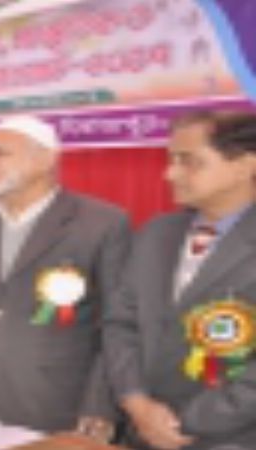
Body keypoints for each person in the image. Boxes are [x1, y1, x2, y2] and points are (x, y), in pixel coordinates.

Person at [0, 115, 130, 438]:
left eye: (1, 154)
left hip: (54, 400)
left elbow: (117, 322)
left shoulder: (101, 222)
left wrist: (100, 403)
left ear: (46, 160)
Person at [104, 111, 256, 450]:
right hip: (141, 431)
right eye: (171, 160)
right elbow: (121, 323)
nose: (169, 174)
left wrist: (183, 422)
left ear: (244, 167)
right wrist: (136, 402)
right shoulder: (156, 232)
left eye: (189, 161)